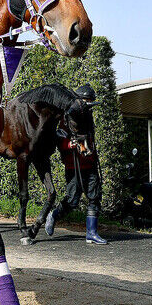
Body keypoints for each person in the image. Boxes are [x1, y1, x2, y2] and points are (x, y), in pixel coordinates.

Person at [45, 84, 108, 244]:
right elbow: (60, 141)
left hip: (90, 164)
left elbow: (90, 138)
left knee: (94, 198)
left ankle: (91, 234)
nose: (88, 105)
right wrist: (70, 144)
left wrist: (90, 148)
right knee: (72, 201)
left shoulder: (88, 118)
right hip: (73, 167)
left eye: (90, 102)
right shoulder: (66, 118)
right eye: (86, 101)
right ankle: (54, 215)